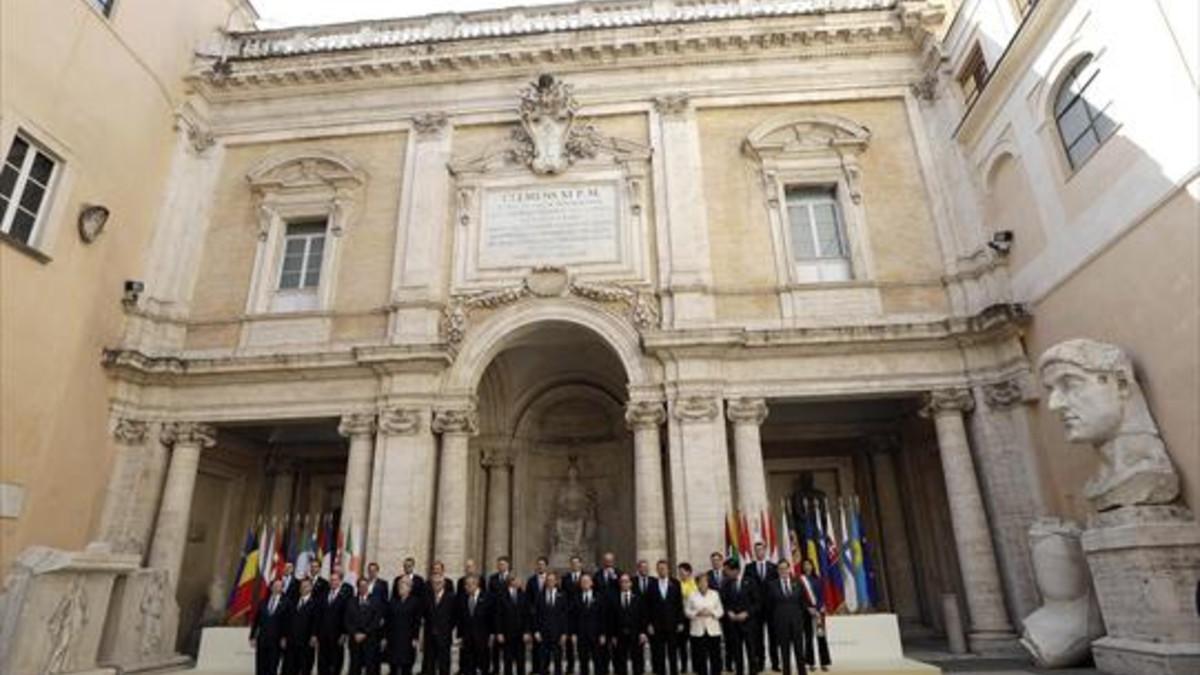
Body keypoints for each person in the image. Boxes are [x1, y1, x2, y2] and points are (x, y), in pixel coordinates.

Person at [764, 561, 808, 675]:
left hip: (797, 623)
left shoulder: (798, 583)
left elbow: (803, 603)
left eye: (785, 568)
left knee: (799, 651)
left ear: (789, 569)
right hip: (781, 624)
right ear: (778, 571)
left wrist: (800, 619)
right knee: (784, 652)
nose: (783, 571)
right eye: (780, 569)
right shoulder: (771, 585)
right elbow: (769, 606)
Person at [744, 543, 779, 672]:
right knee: (758, 637)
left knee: (773, 637)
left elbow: (777, 587)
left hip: (771, 608)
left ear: (765, 551)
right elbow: (746, 588)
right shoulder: (749, 568)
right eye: (756, 550)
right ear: (754, 552)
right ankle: (760, 663)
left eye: (761, 550)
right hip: (756, 609)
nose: (759, 552)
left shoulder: (773, 567)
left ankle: (775, 663)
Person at [718, 561, 757, 675]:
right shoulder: (726, 584)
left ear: (736, 570)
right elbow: (723, 602)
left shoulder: (750, 582)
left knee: (751, 652)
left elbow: (757, 602)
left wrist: (747, 613)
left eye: (727, 570)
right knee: (737, 652)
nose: (725, 573)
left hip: (748, 623)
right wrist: (728, 612)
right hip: (733, 624)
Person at [645, 560, 683, 675]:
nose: (662, 570)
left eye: (664, 568)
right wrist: (649, 623)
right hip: (657, 625)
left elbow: (679, 604)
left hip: (672, 624)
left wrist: (680, 622)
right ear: (657, 570)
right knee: (658, 653)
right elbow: (648, 606)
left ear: (668, 570)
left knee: (672, 653)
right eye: (660, 568)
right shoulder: (652, 585)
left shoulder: (675, 583)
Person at [684, 574, 723, 675]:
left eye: (705, 581)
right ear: (697, 583)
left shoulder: (715, 594)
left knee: (715, 656)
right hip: (697, 630)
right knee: (700, 657)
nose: (703, 584)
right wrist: (697, 613)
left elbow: (720, 611)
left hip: (713, 630)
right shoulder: (692, 595)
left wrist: (711, 613)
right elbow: (687, 611)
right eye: (701, 582)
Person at [609, 574, 647, 675]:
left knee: (637, 661)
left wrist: (643, 632)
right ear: (619, 584)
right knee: (620, 661)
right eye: (622, 582)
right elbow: (611, 619)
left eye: (626, 581)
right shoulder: (614, 599)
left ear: (630, 583)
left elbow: (643, 616)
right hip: (619, 635)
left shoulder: (638, 598)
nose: (624, 584)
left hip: (636, 634)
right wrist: (613, 635)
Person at [346, 577, 385, 675]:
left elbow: (376, 621)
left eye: (365, 585)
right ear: (357, 587)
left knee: (370, 668)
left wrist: (364, 633)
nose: (363, 588)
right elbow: (346, 620)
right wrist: (354, 633)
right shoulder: (351, 601)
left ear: (368, 587)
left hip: (369, 640)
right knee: (354, 667)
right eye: (360, 586)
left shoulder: (376, 601)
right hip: (354, 640)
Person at [251, 578, 291, 675]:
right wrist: (252, 636)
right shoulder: (263, 602)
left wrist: (285, 637)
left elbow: (288, 623)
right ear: (271, 587)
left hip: (276, 641)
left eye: (279, 586)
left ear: (282, 588)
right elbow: (256, 621)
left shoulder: (287, 603)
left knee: (272, 666)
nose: (276, 588)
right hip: (262, 639)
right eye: (275, 585)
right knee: (260, 666)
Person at [534, 572, 570, 675]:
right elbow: (536, 615)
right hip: (543, 633)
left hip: (557, 633)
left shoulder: (562, 595)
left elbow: (565, 616)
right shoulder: (540, 595)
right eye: (548, 580)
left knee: (558, 660)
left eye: (552, 580)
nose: (550, 582)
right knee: (543, 660)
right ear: (545, 582)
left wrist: (564, 633)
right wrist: (536, 631)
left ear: (556, 582)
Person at [386, 577, 424, 675]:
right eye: (399, 585)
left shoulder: (415, 602)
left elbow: (417, 621)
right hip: (393, 640)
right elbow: (388, 621)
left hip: (408, 640)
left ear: (409, 588)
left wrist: (415, 638)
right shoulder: (393, 601)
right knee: (393, 667)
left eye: (403, 585)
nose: (400, 587)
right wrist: (385, 637)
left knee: (406, 667)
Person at [571, 573, 606, 675]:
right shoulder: (576, 598)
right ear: (580, 584)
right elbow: (573, 617)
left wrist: (603, 633)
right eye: (583, 582)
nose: (585, 583)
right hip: (581, 635)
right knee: (583, 661)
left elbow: (602, 616)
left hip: (596, 634)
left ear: (592, 583)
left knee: (598, 661)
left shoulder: (599, 597)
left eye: (587, 581)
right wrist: (573, 633)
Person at [798, 560, 830, 672]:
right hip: (807, 613)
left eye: (809, 564)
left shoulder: (818, 580)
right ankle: (810, 663)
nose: (807, 567)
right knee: (808, 638)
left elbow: (822, 595)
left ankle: (824, 663)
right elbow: (800, 598)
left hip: (819, 613)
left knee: (821, 637)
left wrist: (820, 607)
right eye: (805, 565)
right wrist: (808, 608)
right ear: (802, 567)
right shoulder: (800, 581)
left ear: (812, 566)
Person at [283, 578, 320, 675]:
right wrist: (284, 636)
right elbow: (287, 621)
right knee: (290, 668)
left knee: (305, 668)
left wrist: (314, 635)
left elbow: (317, 621)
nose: (303, 588)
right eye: (302, 586)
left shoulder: (315, 603)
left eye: (306, 586)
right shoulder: (293, 602)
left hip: (306, 642)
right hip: (292, 642)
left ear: (311, 588)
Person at [458, 574, 493, 675]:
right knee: (469, 664)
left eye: (468, 585)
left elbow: (491, 617)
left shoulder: (487, 597)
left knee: (483, 664)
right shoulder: (463, 598)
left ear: (476, 584)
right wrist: (460, 636)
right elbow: (461, 619)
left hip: (483, 637)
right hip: (467, 637)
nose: (466, 587)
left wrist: (492, 634)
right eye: (465, 585)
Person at [494, 574, 529, 675]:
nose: (520, 582)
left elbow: (527, 615)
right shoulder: (501, 595)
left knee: (520, 659)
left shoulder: (523, 595)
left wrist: (527, 631)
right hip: (506, 632)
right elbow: (498, 615)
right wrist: (499, 632)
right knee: (507, 659)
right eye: (518, 580)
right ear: (511, 581)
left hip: (520, 633)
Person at [317, 571, 351, 675]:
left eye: (335, 580)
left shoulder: (344, 597)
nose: (332, 582)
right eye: (331, 580)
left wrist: (344, 633)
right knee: (322, 662)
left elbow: (346, 616)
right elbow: (319, 615)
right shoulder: (323, 595)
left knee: (336, 662)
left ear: (340, 582)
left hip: (337, 636)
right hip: (323, 635)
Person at [425, 574, 458, 675]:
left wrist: (446, 629)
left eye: (439, 583)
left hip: (444, 636)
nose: (436, 585)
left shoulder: (451, 597)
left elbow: (454, 617)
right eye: (434, 583)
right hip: (430, 636)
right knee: (429, 664)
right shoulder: (428, 597)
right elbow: (425, 615)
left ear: (444, 584)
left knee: (444, 663)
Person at [489, 556, 516, 675]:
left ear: (508, 566)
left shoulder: (513, 577)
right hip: (495, 614)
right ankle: (495, 669)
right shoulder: (492, 578)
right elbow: (490, 595)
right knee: (495, 645)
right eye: (499, 564)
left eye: (503, 564)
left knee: (508, 648)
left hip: (509, 617)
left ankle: (507, 670)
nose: (501, 566)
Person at [562, 556, 587, 675]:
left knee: (583, 642)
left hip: (583, 614)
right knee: (569, 641)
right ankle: (570, 666)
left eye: (577, 563)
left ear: (581, 564)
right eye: (572, 563)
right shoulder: (566, 578)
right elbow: (563, 595)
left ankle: (584, 667)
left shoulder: (586, 576)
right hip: (570, 614)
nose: (575, 565)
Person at [527, 557, 551, 675]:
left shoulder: (551, 579)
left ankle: (545, 668)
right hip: (535, 616)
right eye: (538, 564)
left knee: (545, 645)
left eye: (542, 565)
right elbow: (528, 598)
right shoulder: (531, 580)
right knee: (536, 644)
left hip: (548, 617)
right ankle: (535, 667)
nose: (540, 566)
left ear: (546, 566)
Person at [705, 553, 728, 672]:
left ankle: (728, 664)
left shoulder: (727, 574)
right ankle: (716, 665)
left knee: (729, 639)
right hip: (712, 614)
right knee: (714, 641)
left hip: (727, 613)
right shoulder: (707, 576)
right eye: (713, 560)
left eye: (717, 560)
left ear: (722, 561)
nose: (715, 562)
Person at [676, 563, 696, 674]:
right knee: (682, 645)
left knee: (695, 644)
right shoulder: (677, 584)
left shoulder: (695, 584)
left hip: (694, 618)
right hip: (682, 619)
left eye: (682, 572)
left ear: (688, 572)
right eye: (679, 572)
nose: (680, 574)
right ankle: (683, 667)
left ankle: (696, 666)